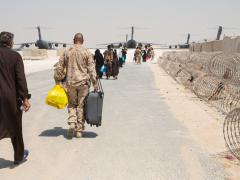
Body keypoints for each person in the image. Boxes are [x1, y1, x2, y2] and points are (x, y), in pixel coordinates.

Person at [54, 33, 97, 138]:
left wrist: (58, 79)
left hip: (71, 83)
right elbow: (91, 69)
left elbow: (59, 67)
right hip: (83, 84)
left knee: (72, 104)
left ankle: (72, 123)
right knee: (81, 106)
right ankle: (79, 130)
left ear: (74, 40)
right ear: (82, 41)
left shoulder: (67, 51)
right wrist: (94, 83)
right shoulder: (87, 52)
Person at [0, 31, 31, 165]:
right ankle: (18, 157)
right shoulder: (15, 56)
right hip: (10, 98)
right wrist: (25, 98)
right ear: (11, 42)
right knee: (15, 127)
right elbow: (20, 79)